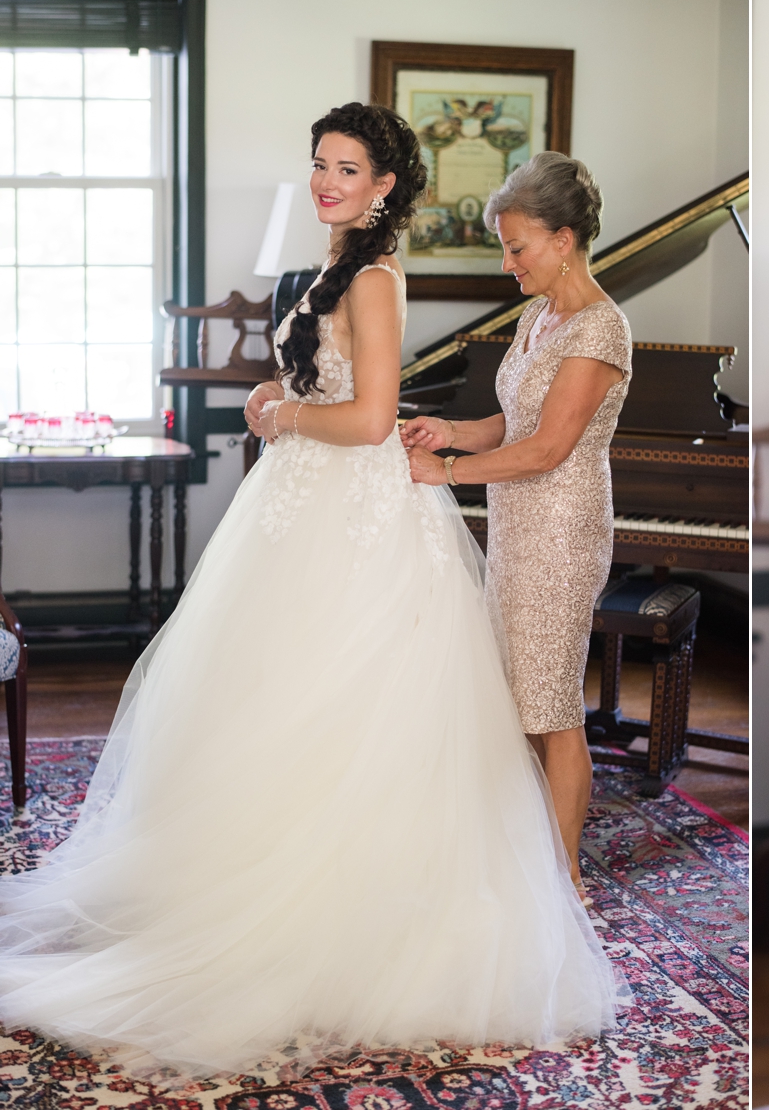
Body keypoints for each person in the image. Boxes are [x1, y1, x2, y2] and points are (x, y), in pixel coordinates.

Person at [0, 104, 620, 1079]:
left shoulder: (382, 279)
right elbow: (425, 412)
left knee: (454, 706)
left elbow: (371, 417)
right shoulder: (369, 279)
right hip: (318, 504)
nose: (326, 180)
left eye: (347, 167)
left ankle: (512, 889)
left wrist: (289, 413)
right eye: (319, 164)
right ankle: (245, 877)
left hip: (438, 513)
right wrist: (412, 429)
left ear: (384, 186)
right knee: (281, 699)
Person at [402, 152, 630, 898]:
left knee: (552, 706)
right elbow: (512, 422)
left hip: (561, 533)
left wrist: (450, 475)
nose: (508, 262)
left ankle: (564, 878)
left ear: (564, 239)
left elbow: (550, 446)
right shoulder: (539, 315)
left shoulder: (601, 329)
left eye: (517, 246)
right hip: (516, 530)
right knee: (519, 700)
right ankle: (530, 854)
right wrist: (450, 432)